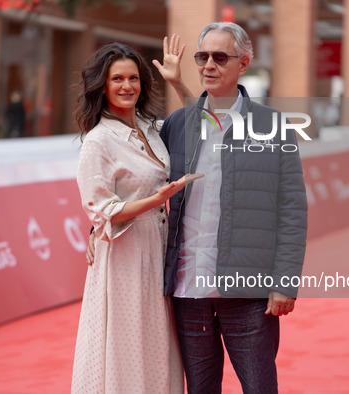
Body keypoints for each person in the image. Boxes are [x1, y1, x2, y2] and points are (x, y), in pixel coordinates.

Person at [159, 22, 308, 393]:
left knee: (259, 387)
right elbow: (148, 187)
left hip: (247, 293)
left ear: (244, 63)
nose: (209, 65)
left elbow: (292, 209)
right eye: (202, 56)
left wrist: (284, 281)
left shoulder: (273, 126)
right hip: (187, 290)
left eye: (220, 57)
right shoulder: (177, 124)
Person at [71, 42, 202, 394]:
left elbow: (204, 125)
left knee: (156, 343)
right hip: (125, 257)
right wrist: (155, 199)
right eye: (117, 79)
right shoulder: (98, 142)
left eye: (133, 78)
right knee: (127, 343)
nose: (127, 86)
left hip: (158, 248)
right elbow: (101, 209)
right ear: (102, 85)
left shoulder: (151, 127)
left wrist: (177, 82)